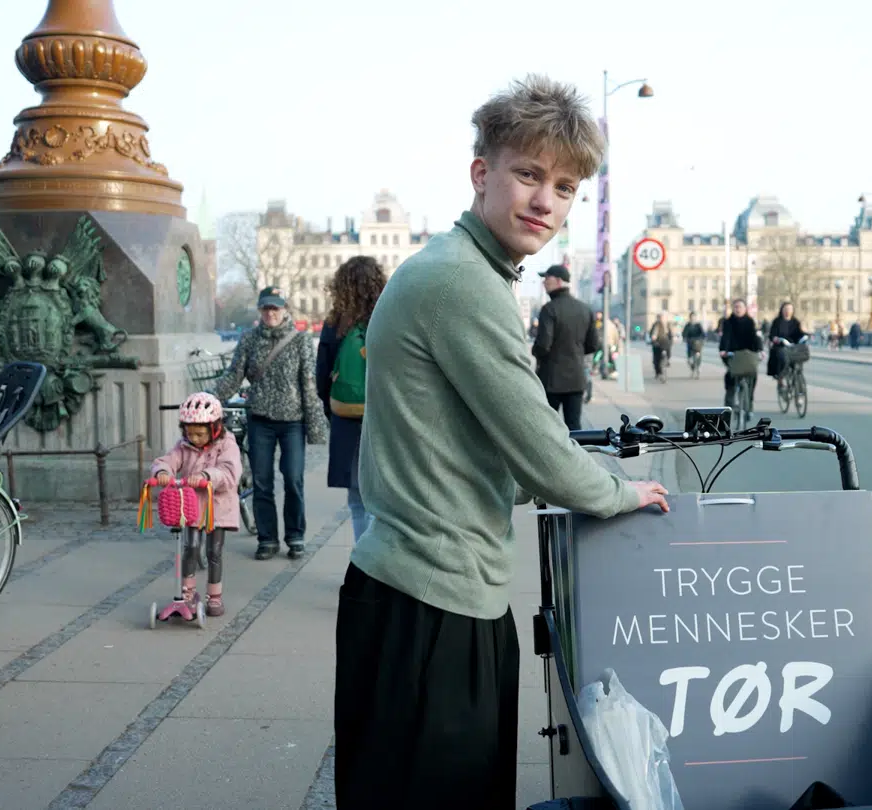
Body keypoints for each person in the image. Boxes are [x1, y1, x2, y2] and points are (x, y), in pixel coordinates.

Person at [333, 74, 671, 810]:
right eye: (528, 173)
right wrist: (619, 493)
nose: (545, 201)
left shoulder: (463, 270)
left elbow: (482, 439)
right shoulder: (463, 283)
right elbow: (540, 449)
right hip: (433, 599)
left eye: (566, 186)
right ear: (482, 174)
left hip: (416, 588)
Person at [209, 286, 328, 560]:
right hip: (260, 419)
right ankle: (267, 538)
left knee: (294, 479)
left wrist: (316, 426)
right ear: (260, 310)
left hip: (292, 421)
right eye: (266, 308)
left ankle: (295, 536)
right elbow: (233, 376)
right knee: (262, 482)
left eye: (275, 308)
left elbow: (309, 385)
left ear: (285, 309)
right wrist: (209, 398)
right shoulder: (249, 340)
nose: (271, 313)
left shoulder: (299, 341)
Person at [149, 393, 243, 617]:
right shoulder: (184, 445)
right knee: (190, 548)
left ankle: (214, 596)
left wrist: (207, 475)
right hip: (190, 508)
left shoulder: (227, 445)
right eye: (190, 433)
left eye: (200, 434)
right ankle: (187, 593)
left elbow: (230, 473)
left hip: (217, 507)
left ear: (215, 428)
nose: (195, 439)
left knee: (214, 551)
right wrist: (162, 471)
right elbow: (168, 460)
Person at [315, 256, 387, 543]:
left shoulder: (336, 323)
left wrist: (331, 408)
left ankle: (360, 564)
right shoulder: (386, 318)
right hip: (382, 418)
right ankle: (377, 567)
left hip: (346, 419)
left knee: (357, 501)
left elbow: (321, 375)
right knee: (379, 500)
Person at [530, 263, 599, 429]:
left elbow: (543, 346)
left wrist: (535, 350)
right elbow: (593, 344)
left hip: (551, 379)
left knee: (547, 426)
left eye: (547, 278)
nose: (544, 282)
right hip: (576, 378)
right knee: (574, 425)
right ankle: (577, 455)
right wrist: (575, 352)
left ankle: (547, 455)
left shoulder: (549, 309)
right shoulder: (585, 309)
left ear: (559, 281)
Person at [718, 298, 763, 408]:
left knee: (753, 375)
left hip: (747, 354)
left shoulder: (750, 321)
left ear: (745, 309)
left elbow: (755, 337)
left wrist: (760, 350)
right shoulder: (728, 322)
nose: (738, 309)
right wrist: (723, 350)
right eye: (736, 307)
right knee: (730, 376)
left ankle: (749, 402)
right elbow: (726, 337)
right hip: (733, 354)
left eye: (740, 307)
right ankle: (729, 404)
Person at [765, 301, 807, 387]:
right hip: (781, 345)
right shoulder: (777, 321)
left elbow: (799, 333)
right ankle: (780, 378)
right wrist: (775, 338)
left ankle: (797, 378)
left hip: (792, 346)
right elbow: (772, 334)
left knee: (800, 357)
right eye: (786, 309)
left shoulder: (795, 322)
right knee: (782, 357)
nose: (788, 311)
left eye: (790, 309)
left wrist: (804, 336)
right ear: (782, 310)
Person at [648, 312, 673, 382]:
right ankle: (658, 372)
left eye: (663, 317)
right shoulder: (656, 325)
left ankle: (667, 360)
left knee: (668, 353)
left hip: (666, 344)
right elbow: (653, 333)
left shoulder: (668, 325)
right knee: (656, 359)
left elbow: (671, 334)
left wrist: (672, 339)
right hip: (657, 344)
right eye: (661, 317)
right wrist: (653, 337)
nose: (662, 319)